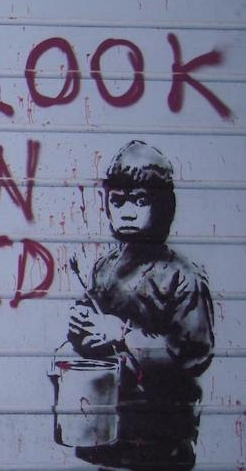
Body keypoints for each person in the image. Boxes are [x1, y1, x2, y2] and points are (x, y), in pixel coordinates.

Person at [67, 140, 215, 469]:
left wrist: (122, 334)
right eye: (118, 201)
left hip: (162, 437)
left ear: (163, 206)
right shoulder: (104, 269)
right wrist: (81, 327)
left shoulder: (182, 276)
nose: (128, 211)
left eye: (140, 200)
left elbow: (192, 356)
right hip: (108, 432)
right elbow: (91, 342)